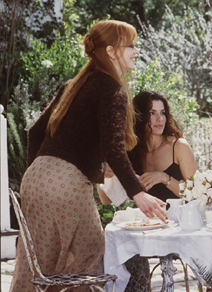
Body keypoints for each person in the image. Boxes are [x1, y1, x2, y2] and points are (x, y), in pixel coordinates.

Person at [11, 20, 166, 292]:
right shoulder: (112, 90)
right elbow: (113, 149)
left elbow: (34, 133)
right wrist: (138, 193)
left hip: (35, 178)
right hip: (65, 184)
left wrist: (39, 177)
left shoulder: (74, 85)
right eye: (130, 45)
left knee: (38, 263)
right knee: (91, 251)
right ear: (111, 51)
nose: (136, 51)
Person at [98, 90, 197, 203]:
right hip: (146, 220)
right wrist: (105, 176)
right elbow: (106, 200)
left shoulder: (179, 146)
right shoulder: (130, 150)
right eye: (152, 113)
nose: (160, 118)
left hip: (179, 218)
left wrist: (164, 178)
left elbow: (195, 193)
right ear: (139, 116)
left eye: (162, 112)